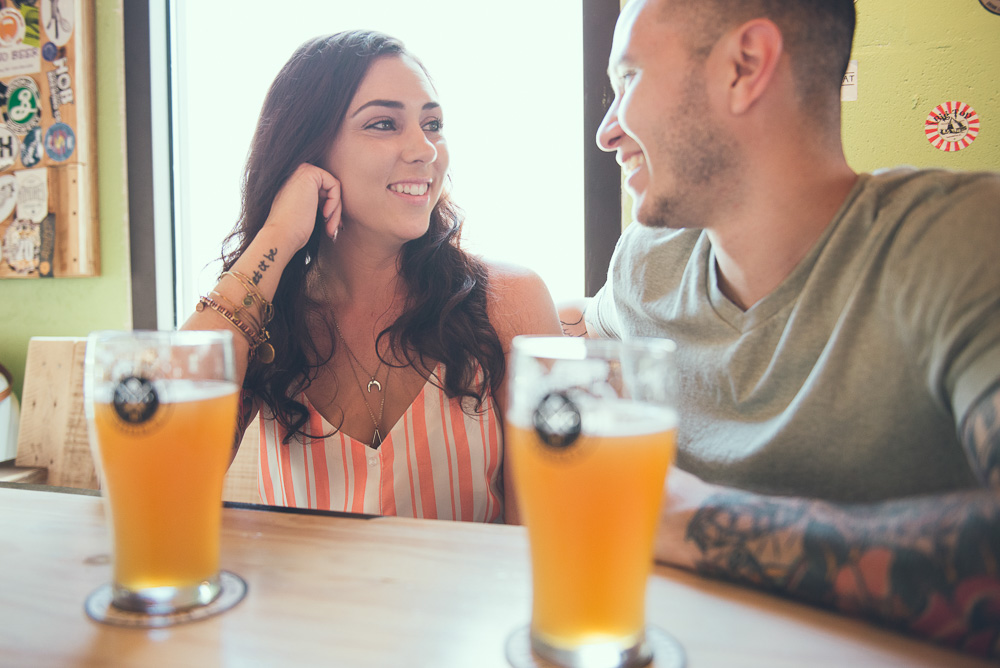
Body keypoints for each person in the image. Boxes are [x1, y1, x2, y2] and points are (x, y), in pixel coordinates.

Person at [569, 0, 1000, 658]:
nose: (606, 131)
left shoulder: (962, 242)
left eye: (628, 79)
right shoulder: (644, 264)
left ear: (745, 66)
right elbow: (570, 333)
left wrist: (695, 521)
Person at [184, 30, 560, 523]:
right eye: (384, 124)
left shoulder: (508, 302)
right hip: (303, 603)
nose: (424, 149)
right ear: (309, 151)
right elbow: (159, 475)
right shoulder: (264, 317)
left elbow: (547, 529)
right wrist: (276, 235)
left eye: (433, 123)